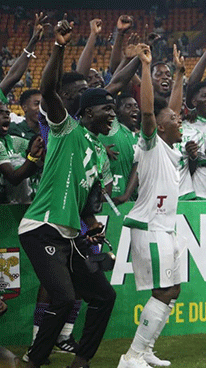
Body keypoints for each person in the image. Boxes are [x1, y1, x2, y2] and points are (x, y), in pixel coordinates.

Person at [18, 17, 116, 368]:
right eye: (107, 109)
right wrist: (59, 47)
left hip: (71, 235)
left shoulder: (99, 151)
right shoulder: (65, 130)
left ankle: (82, 361)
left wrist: (92, 227)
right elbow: (48, 91)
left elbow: (84, 202)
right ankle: (35, 361)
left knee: (104, 296)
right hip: (41, 226)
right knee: (63, 298)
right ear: (88, 111)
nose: (112, 115)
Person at [117, 43, 183, 368]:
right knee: (163, 291)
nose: (179, 119)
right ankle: (132, 356)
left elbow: (170, 109)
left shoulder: (171, 150)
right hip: (150, 228)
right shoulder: (151, 144)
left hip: (164, 229)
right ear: (159, 125)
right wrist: (146, 65)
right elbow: (148, 113)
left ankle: (145, 350)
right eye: (174, 118)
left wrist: (181, 74)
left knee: (173, 290)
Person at [0, 101, 44, 204]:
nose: (6, 115)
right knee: (17, 163)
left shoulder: (15, 141)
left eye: (7, 113)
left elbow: (34, 146)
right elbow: (13, 177)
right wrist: (32, 158)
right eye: (0, 112)